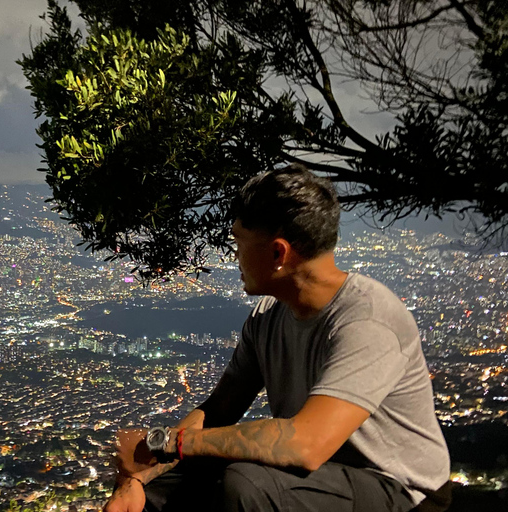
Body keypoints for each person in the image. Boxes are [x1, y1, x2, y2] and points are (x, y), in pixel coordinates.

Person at [103, 164, 451, 512]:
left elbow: (305, 445)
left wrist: (166, 443)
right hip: (317, 482)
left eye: (239, 241)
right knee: (163, 490)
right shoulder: (268, 317)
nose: (234, 256)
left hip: (400, 489)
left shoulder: (367, 321)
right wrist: (139, 477)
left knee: (247, 486)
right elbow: (217, 411)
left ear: (277, 254)